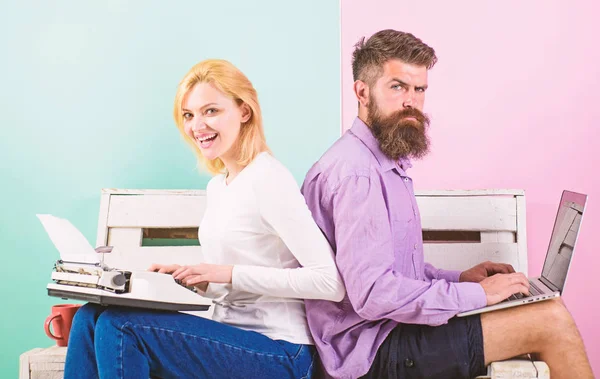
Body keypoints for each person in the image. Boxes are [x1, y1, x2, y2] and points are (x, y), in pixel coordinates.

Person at [301, 30, 593, 379]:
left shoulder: (382, 164)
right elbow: (374, 295)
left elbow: (389, 273)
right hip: (370, 353)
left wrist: (461, 279)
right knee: (550, 320)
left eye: (419, 89)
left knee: (546, 308)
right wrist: (477, 296)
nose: (411, 101)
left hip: (390, 332)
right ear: (362, 92)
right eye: (397, 87)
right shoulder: (358, 175)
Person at [64, 59, 345, 379]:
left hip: (281, 351)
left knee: (122, 325)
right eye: (189, 115)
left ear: (244, 111)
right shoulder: (219, 186)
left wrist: (226, 273)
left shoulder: (268, 179)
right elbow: (234, 288)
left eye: (211, 111)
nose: (197, 125)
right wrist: (199, 281)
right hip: (228, 337)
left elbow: (329, 282)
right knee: (90, 316)